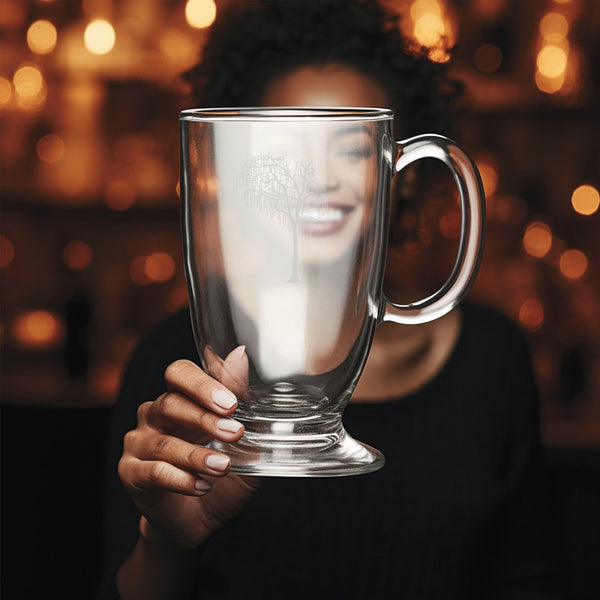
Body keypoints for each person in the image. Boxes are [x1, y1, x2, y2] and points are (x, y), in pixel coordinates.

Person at [98, 2, 560, 599]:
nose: (318, 176)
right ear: (240, 170)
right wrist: (166, 540)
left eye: (350, 149)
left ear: (405, 173)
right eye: (289, 147)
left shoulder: (491, 361)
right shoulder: (176, 370)